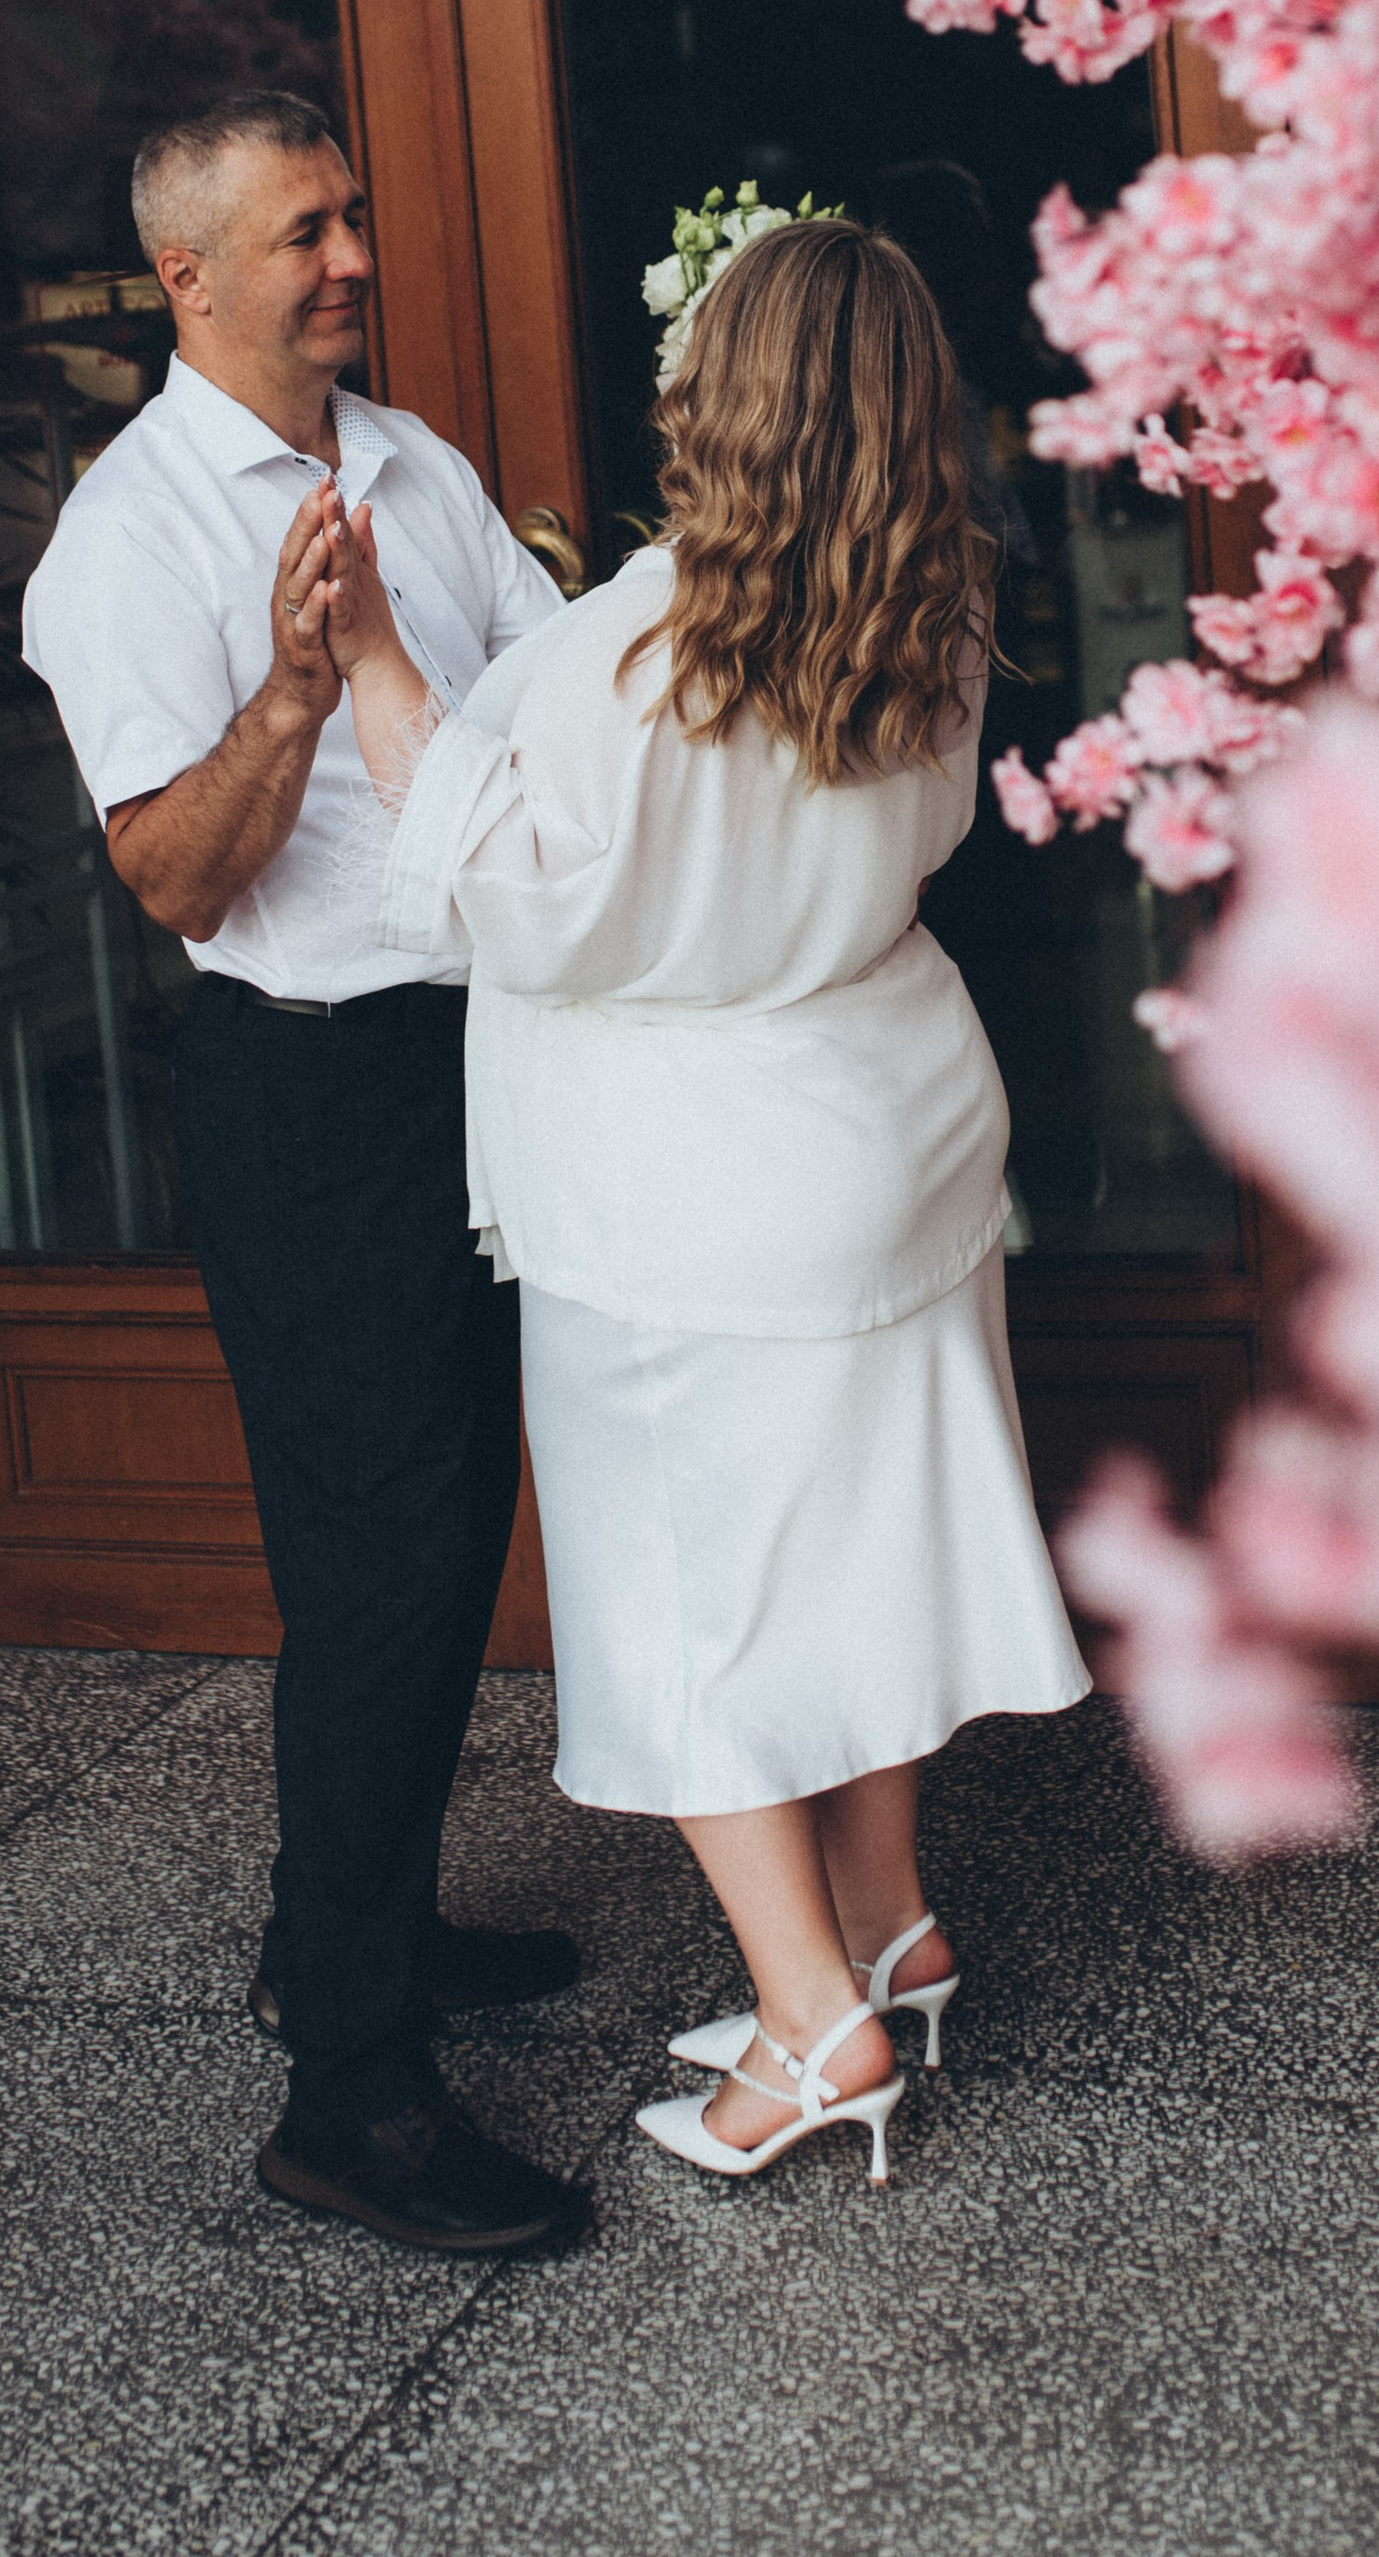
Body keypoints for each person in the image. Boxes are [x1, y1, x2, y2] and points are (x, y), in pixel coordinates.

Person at [319, 216, 1089, 2189]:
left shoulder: (635, 648)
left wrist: (375, 661)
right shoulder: (937, 602)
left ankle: (815, 2019)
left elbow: (501, 884)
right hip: (889, 1124)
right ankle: (889, 1922)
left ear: (712, 403)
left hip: (688, 1183)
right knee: (863, 1555)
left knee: (695, 1607)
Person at [21, 88, 590, 2260]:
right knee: (373, 1578)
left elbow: (535, 683)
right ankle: (345, 2095)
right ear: (184, 276)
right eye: (301, 230)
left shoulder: (411, 456)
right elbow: (169, 873)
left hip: (481, 1051)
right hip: (314, 1091)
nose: (348, 254)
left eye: (351, 213)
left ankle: (333, 1929)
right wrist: (283, 685)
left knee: (445, 1553)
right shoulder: (126, 540)